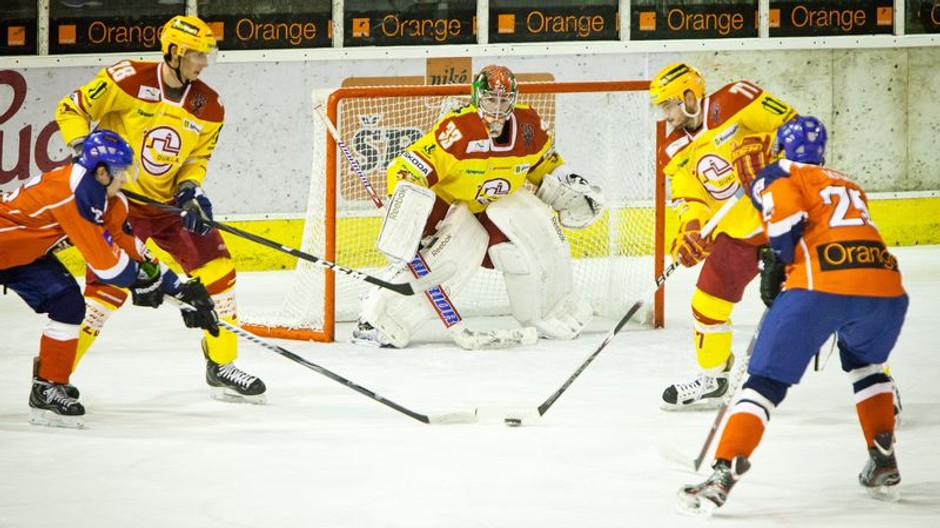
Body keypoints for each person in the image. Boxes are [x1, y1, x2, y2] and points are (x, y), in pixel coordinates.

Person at [678, 116, 908, 514]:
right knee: (867, 367)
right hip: (885, 288)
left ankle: (722, 474)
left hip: (821, 287)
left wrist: (777, 249)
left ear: (782, 148)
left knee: (764, 382)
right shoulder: (847, 182)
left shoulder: (777, 172)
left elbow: (785, 228)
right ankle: (883, 460)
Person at [54, 15, 266, 403]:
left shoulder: (210, 106)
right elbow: (71, 108)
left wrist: (189, 190)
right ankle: (54, 378)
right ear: (174, 51)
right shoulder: (125, 78)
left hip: (167, 208)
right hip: (118, 203)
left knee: (220, 273)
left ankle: (222, 363)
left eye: (206, 56)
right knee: (106, 295)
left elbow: (196, 158)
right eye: (198, 55)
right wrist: (83, 149)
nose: (203, 63)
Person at [351, 64, 604, 348]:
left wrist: (568, 186)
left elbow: (545, 166)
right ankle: (379, 318)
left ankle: (547, 312)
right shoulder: (459, 131)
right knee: (450, 259)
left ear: (514, 98)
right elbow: (407, 167)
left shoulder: (528, 127)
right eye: (490, 99)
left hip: (491, 209)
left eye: (504, 99)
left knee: (523, 245)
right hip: (446, 206)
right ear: (476, 97)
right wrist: (405, 206)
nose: (497, 108)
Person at [0, 130, 220, 428]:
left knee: (68, 304)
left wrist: (181, 291)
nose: (126, 179)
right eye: (121, 172)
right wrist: (143, 283)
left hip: (22, 257)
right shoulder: (73, 193)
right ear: (101, 172)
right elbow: (108, 267)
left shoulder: (110, 199)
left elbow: (134, 251)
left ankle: (48, 386)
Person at [649, 63, 798, 409]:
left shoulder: (736, 99)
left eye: (669, 104)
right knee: (707, 304)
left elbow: (796, 128)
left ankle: (876, 379)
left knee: (826, 302)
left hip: (788, 221)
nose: (665, 114)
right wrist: (690, 231)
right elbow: (691, 200)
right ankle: (714, 379)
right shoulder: (672, 151)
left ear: (689, 96)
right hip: (738, 234)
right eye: (662, 107)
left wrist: (768, 157)